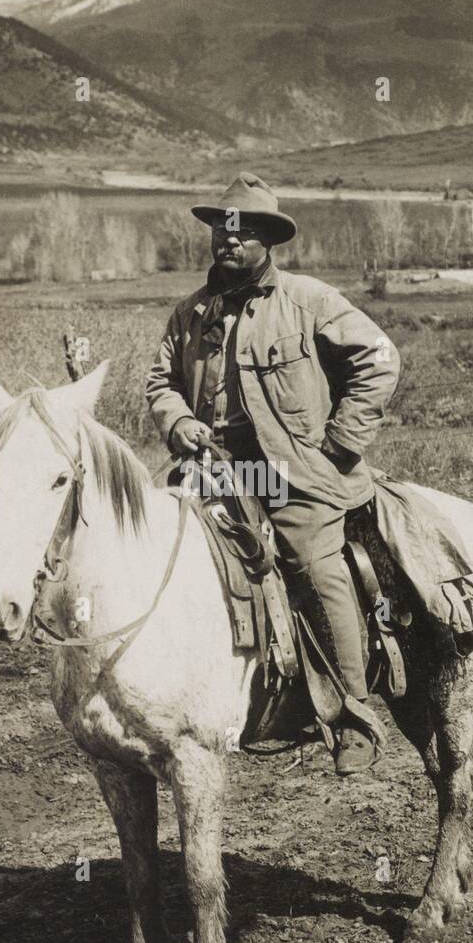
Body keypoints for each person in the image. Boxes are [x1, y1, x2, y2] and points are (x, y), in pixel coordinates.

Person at [146, 172, 400, 775]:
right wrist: (179, 424)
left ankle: (351, 715)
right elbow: (161, 381)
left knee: (315, 565)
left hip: (291, 476)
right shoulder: (189, 315)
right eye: (221, 231)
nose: (228, 242)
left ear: (268, 242)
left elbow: (380, 358)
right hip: (210, 469)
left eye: (244, 233)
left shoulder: (307, 302)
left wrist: (340, 443)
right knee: (155, 550)